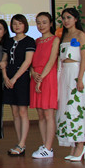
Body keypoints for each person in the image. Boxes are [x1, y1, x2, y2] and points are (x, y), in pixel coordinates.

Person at [56, 8, 85, 161]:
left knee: (76, 107)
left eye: (69, 17)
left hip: (75, 72)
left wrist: (79, 78)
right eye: (63, 18)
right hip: (64, 74)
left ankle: (81, 145)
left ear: (75, 19)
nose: (66, 21)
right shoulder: (63, 35)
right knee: (66, 108)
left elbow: (84, 58)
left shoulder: (81, 35)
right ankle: (73, 145)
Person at [0, 14, 35, 156]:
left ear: (25, 24)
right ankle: (19, 143)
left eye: (20, 23)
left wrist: (14, 78)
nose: (17, 26)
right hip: (8, 77)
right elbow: (4, 60)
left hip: (22, 78)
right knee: (14, 112)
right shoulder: (8, 41)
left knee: (22, 111)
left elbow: (27, 62)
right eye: (14, 23)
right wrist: (5, 77)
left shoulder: (29, 41)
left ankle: (22, 143)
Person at [30, 12, 60, 159]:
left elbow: (52, 60)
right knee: (40, 114)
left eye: (44, 22)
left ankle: (48, 147)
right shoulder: (36, 41)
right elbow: (31, 62)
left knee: (48, 114)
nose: (41, 25)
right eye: (38, 22)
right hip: (36, 77)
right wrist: (33, 73)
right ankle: (45, 146)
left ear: (51, 23)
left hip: (48, 77)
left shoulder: (55, 39)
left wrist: (41, 78)